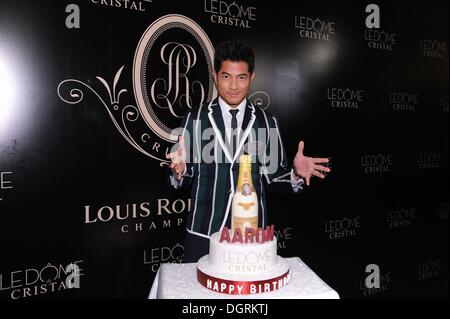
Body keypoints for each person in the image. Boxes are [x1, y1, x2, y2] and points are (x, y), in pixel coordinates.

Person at [166, 40, 331, 263]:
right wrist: (180, 170)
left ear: (251, 77)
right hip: (203, 233)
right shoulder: (195, 118)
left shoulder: (266, 121)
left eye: (241, 77)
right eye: (226, 76)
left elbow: (273, 179)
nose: (233, 85)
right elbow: (183, 177)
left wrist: (295, 174)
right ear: (215, 76)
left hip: (251, 236)